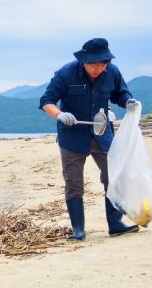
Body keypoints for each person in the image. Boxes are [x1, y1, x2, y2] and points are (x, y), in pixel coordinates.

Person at [39, 38, 140, 240]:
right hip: (72, 136)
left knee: (114, 176)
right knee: (74, 182)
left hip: (102, 133)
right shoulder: (66, 73)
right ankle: (78, 229)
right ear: (84, 60)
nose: (100, 68)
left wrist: (128, 101)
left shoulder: (112, 72)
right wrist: (59, 114)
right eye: (95, 64)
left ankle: (115, 224)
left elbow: (120, 93)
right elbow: (46, 100)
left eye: (104, 63)